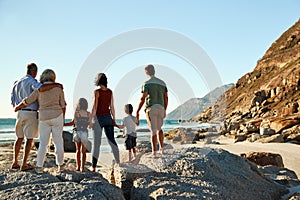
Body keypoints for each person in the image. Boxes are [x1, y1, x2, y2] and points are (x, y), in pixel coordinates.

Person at [11, 63, 62, 171]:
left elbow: (12, 101)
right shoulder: (32, 81)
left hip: (19, 112)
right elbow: (41, 89)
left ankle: (15, 162)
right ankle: (24, 164)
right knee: (29, 139)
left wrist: (17, 107)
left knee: (19, 137)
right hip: (30, 112)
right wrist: (56, 85)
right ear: (35, 72)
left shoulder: (16, 83)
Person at [136, 64, 168, 157]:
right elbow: (166, 97)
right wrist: (165, 109)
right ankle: (162, 150)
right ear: (154, 71)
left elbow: (143, 98)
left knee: (153, 130)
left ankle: (154, 153)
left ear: (146, 72)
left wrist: (137, 111)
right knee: (159, 129)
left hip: (151, 108)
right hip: (161, 108)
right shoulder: (162, 83)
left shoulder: (147, 83)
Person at [90, 73, 120, 172]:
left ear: (98, 81)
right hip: (108, 118)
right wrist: (114, 120)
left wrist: (90, 120)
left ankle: (93, 167)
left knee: (96, 144)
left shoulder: (97, 92)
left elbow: (95, 107)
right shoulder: (110, 92)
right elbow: (112, 107)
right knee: (112, 141)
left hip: (98, 119)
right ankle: (118, 162)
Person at [64, 98, 91, 172]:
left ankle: (78, 167)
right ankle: (82, 168)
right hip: (84, 132)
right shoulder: (88, 114)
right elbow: (90, 125)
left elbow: (72, 123)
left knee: (78, 150)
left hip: (77, 132)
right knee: (84, 151)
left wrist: (63, 124)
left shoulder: (77, 113)